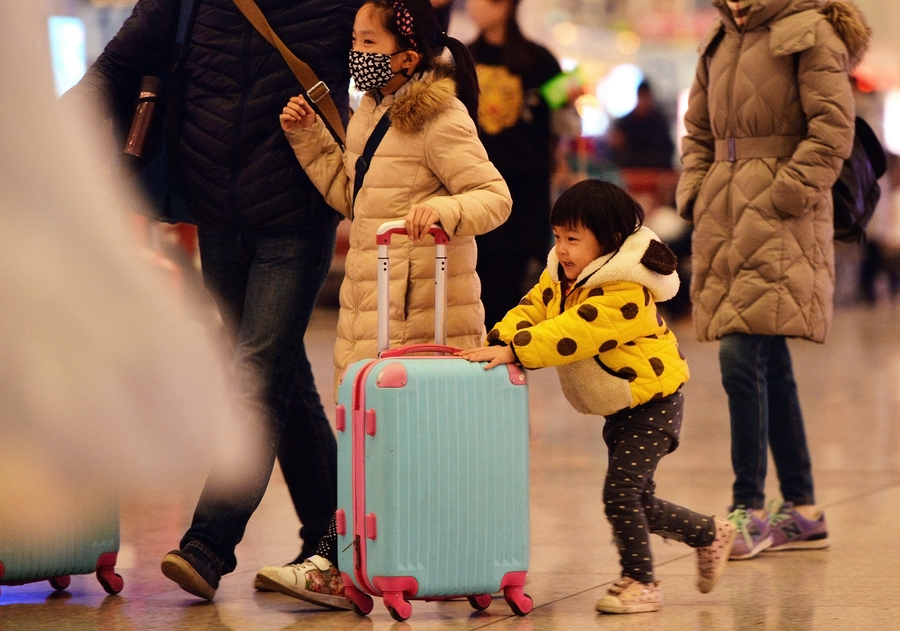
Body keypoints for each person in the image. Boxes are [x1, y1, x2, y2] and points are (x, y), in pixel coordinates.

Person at [65, 0, 363, 600]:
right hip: (216, 211)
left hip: (298, 211)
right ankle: (333, 541)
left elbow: (399, 51)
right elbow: (117, 67)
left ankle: (208, 544)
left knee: (253, 372)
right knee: (279, 369)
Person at [254, 0, 511, 608]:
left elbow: (493, 197)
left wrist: (446, 211)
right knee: (367, 441)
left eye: (369, 44)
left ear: (407, 56)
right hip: (369, 303)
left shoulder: (440, 115)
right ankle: (361, 564)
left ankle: (355, 565)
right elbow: (354, 196)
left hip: (422, 310)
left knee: (411, 447)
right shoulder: (370, 111)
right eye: (356, 41)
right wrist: (310, 138)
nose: (358, 54)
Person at [459, 179, 736, 614]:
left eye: (573, 239)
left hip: (653, 403)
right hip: (622, 406)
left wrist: (517, 350)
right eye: (557, 237)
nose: (563, 249)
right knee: (637, 498)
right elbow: (534, 307)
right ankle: (707, 533)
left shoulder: (624, 290)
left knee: (620, 495)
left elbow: (577, 331)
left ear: (607, 242)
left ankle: (641, 582)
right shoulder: (565, 278)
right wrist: (501, 336)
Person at [676, 0, 870, 559]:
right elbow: (697, 130)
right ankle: (804, 509)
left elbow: (833, 128)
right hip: (724, 211)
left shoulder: (808, 33)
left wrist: (784, 193)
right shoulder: (719, 38)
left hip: (783, 217)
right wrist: (694, 190)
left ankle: (749, 510)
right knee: (767, 359)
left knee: (741, 355)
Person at [466, 0, 563, 330]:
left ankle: (502, 367)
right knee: (471, 290)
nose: (470, 6)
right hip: (474, 187)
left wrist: (571, 100)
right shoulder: (462, 58)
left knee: (508, 290)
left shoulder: (541, 61)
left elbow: (564, 122)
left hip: (523, 193)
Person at [608, 80, 675, 169]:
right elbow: (617, 153)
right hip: (630, 173)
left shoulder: (659, 121)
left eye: (646, 96)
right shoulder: (624, 123)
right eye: (642, 96)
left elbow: (666, 150)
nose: (644, 101)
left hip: (655, 172)